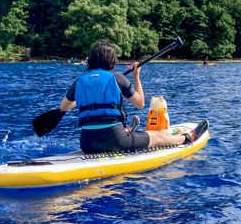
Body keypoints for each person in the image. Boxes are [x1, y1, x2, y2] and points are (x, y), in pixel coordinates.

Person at [59, 39, 208, 154]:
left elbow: (63, 107)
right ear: (112, 61)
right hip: (115, 141)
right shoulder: (117, 78)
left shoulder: (79, 82)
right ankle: (188, 138)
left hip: (86, 144)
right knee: (156, 136)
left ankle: (127, 131)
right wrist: (136, 77)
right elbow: (140, 104)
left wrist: (79, 100)